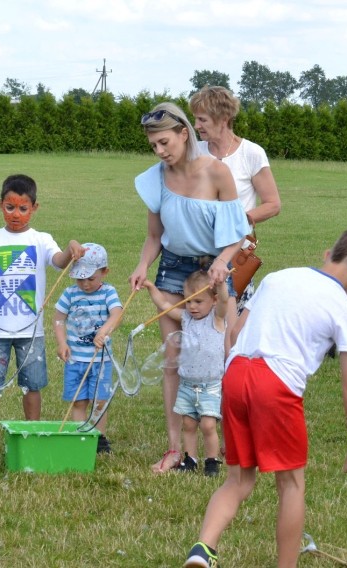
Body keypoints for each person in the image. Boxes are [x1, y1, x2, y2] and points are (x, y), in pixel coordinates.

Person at [183, 226, 347, 568]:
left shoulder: (278, 278)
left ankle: (203, 548)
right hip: (275, 385)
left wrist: (235, 378)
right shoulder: (342, 308)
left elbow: (233, 333)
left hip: (235, 375)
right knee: (291, 485)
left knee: (238, 479)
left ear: (327, 254)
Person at [129, 101, 250, 474]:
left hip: (213, 274)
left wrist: (220, 261)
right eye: (154, 146)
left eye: (165, 142)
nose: (160, 151)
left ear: (184, 133)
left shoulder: (218, 173)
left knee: (224, 359)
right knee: (174, 362)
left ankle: (227, 445)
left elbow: (237, 235)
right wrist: (141, 264)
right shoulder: (154, 179)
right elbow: (154, 235)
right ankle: (174, 449)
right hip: (172, 272)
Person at [0, 174, 84, 453]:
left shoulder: (41, 240)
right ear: (0, 205)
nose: (16, 214)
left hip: (30, 332)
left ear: (34, 208)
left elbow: (58, 261)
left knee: (32, 385)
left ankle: (32, 432)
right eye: (10, 207)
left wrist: (71, 248)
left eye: (23, 208)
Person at [190, 85, 282, 308]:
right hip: (196, 251)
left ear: (223, 118)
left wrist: (239, 218)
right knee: (197, 314)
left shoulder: (251, 153)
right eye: (196, 119)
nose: (196, 125)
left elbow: (272, 204)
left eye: (202, 119)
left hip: (235, 251)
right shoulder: (194, 152)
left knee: (232, 322)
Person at [142, 271, 228, 476]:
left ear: (213, 300)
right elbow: (164, 306)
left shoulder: (217, 319)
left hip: (210, 385)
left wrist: (222, 285)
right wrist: (151, 287)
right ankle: (190, 460)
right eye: (188, 301)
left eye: (199, 301)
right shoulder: (186, 319)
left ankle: (212, 461)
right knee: (188, 424)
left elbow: (225, 300)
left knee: (208, 425)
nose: (192, 306)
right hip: (187, 384)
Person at [53, 243, 124, 454]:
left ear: (104, 272)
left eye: (90, 278)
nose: (84, 284)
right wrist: (62, 342)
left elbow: (117, 313)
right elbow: (58, 318)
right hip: (75, 360)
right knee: (78, 401)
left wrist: (105, 330)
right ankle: (80, 435)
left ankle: (99, 438)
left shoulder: (108, 292)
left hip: (100, 360)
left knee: (99, 401)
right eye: (79, 278)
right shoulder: (70, 293)